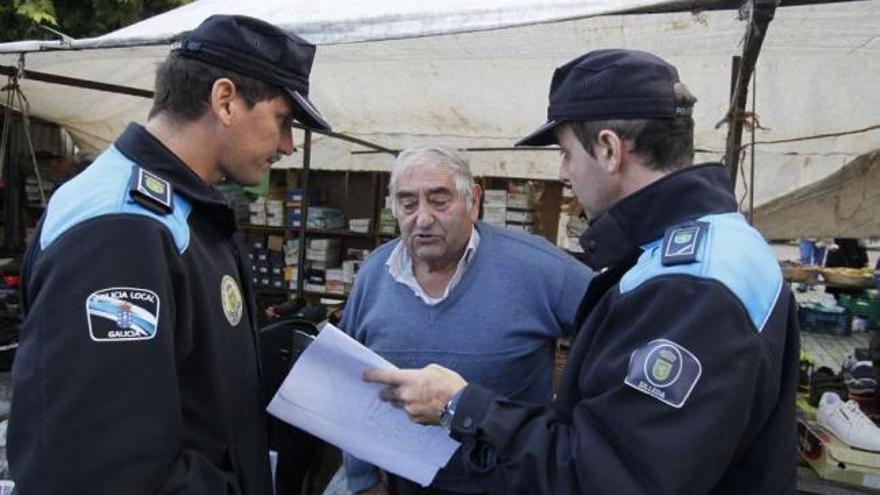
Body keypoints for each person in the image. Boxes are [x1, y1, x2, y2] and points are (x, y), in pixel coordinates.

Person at [364, 49, 799, 494]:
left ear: (609, 149)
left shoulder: (689, 287)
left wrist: (461, 404)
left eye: (567, 153)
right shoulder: (710, 247)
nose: (564, 173)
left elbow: (607, 477)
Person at [8, 15, 330, 494]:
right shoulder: (123, 227)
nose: (287, 145)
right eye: (283, 121)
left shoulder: (180, 210)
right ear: (225, 100)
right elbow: (108, 465)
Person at [342, 145, 591, 495]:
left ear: (473, 201)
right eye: (408, 202)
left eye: (439, 200)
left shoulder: (539, 269)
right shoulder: (373, 276)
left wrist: (576, 435)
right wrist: (363, 480)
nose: (423, 218)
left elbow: (621, 333)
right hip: (403, 485)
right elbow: (348, 384)